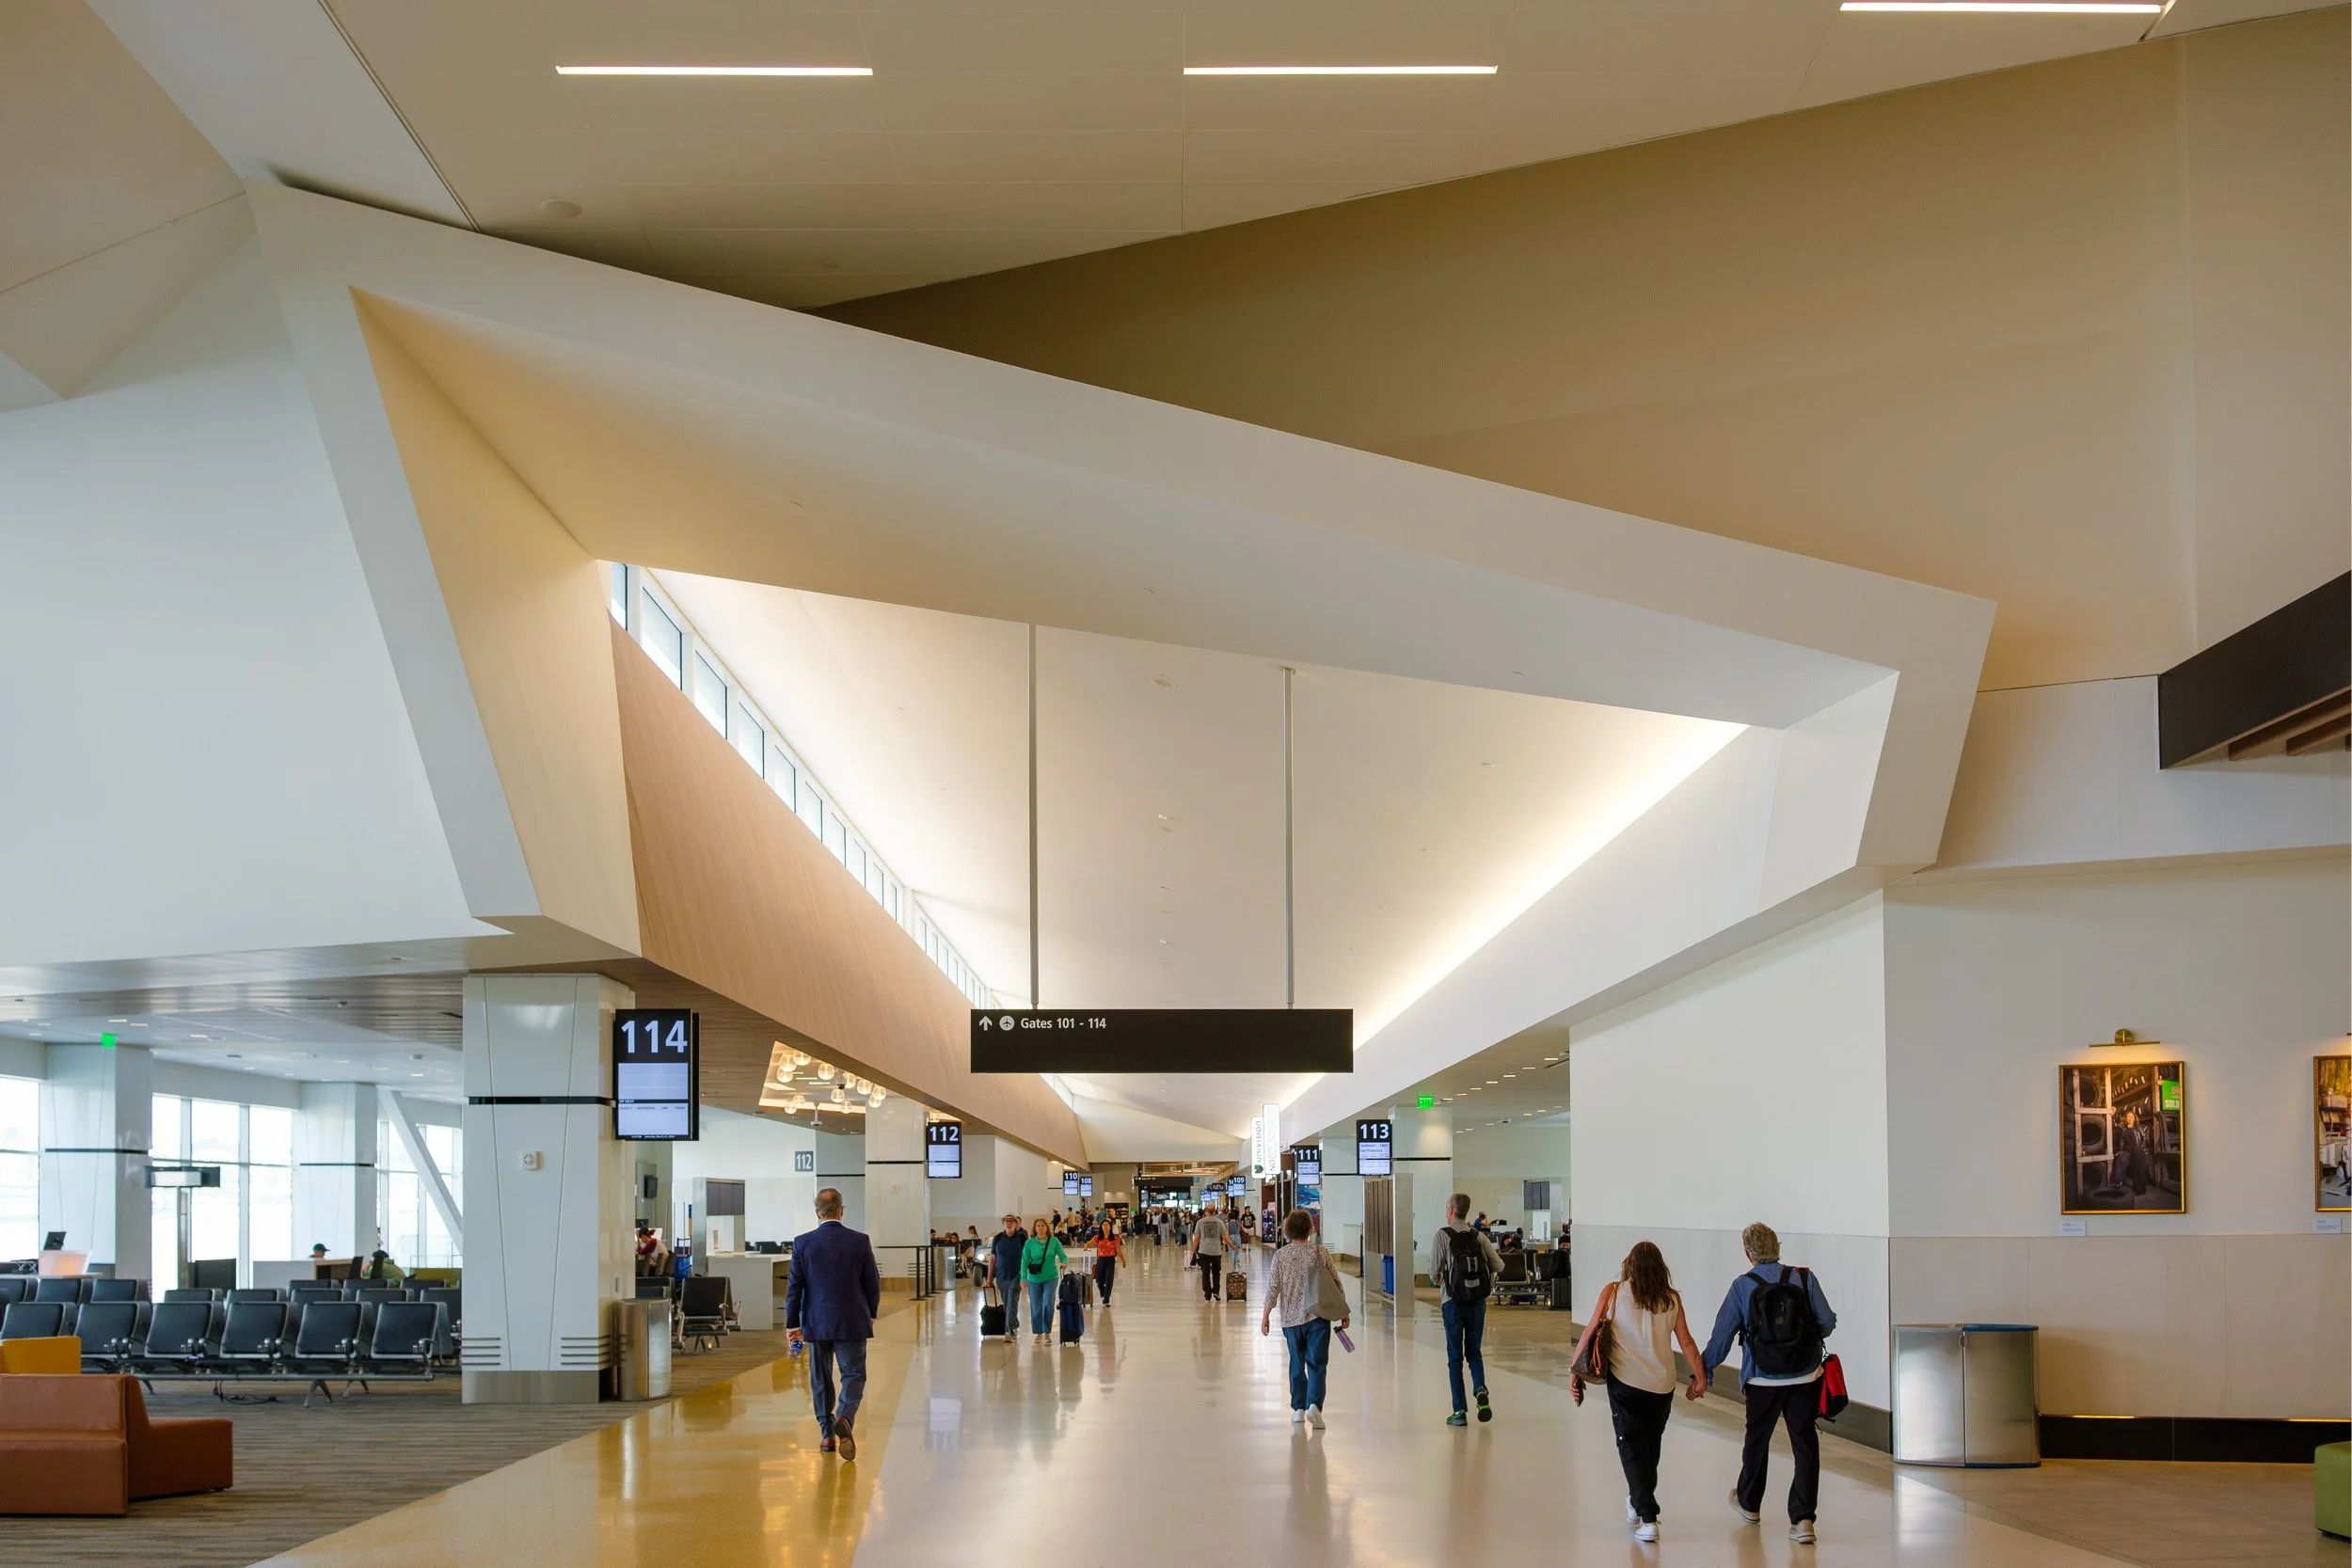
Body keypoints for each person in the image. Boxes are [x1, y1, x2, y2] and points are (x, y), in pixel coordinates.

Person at [1700, 1222, 1837, 1546]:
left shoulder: (1742, 1286)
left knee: (1757, 1440)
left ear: (1748, 1253)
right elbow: (1827, 1320)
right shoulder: (1804, 1278)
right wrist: (1803, 1344)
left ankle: (1749, 1503)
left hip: (1762, 1377)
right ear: (1778, 1246)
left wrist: (1704, 1369)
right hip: (1804, 1376)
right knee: (1804, 1444)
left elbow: (1722, 1336)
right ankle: (1803, 1520)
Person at [1568, 1242, 1708, 1544]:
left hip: (1626, 1384)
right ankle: (1636, 1500)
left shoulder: (1614, 1291)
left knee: (1630, 1446)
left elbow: (1589, 1332)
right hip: (1662, 1385)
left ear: (1629, 1264)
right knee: (1650, 1447)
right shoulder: (1671, 1299)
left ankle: (1648, 1517)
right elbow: (1687, 1342)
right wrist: (1699, 1375)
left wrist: (1573, 1371)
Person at [785, 1187, 882, 1460]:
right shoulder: (860, 1241)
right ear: (842, 1210)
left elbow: (795, 1287)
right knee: (853, 1374)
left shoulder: (803, 1243)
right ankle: (845, 1417)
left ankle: (827, 1434)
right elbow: (872, 1282)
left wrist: (793, 1325)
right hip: (852, 1319)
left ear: (817, 1212)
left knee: (821, 1377)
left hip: (815, 1322)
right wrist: (871, 1312)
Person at [1261, 1208, 1348, 1430]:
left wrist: (1266, 1315)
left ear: (1288, 1231)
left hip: (1290, 1320)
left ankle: (1298, 1409)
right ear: (1310, 1229)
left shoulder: (1281, 1255)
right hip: (1318, 1316)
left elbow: (1273, 1288)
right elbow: (1335, 1283)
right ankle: (1314, 1407)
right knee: (1317, 1363)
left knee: (1296, 1363)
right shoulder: (1320, 1252)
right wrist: (1344, 1311)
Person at [1428, 1192, 1502, 1428]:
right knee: (1474, 1352)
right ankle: (1480, 1390)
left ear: (1451, 1210)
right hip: (1477, 1303)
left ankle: (1459, 1411)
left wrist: (1441, 1277)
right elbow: (1498, 1264)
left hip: (1452, 1303)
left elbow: (1432, 1272)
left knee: (1454, 1358)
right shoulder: (1477, 1236)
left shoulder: (1442, 1236)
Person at [1019, 1217, 1066, 1343]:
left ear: (1047, 1228)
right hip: (1033, 1278)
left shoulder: (1054, 1241)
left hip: (1051, 1277)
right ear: (1035, 1228)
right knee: (1036, 1306)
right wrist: (1023, 1278)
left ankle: (1047, 1332)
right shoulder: (1029, 1243)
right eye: (1038, 1225)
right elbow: (1024, 1262)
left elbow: (1062, 1255)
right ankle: (1038, 1332)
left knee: (1048, 1303)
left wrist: (1064, 1262)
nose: (1040, 1227)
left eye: (1042, 1225)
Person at [987, 1213, 1028, 1339]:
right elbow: (993, 1258)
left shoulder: (1022, 1238)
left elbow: (1027, 1258)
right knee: (1007, 1303)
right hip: (1001, 1276)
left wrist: (1025, 1276)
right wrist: (989, 1278)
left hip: (1017, 1275)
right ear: (1003, 1223)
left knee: (1012, 1301)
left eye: (1012, 1221)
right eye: (1006, 1221)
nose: (1009, 1223)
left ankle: (1008, 1331)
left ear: (1016, 1224)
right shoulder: (998, 1238)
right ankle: (1013, 1326)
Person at [1188, 1207, 1228, 1300]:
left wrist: (1194, 1250)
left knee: (1205, 1274)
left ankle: (1207, 1295)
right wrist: (1232, 1246)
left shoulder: (1200, 1222)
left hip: (1204, 1252)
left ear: (1206, 1212)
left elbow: (1196, 1238)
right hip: (1216, 1252)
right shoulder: (1219, 1222)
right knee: (1216, 1273)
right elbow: (1225, 1237)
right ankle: (1216, 1292)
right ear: (1214, 1212)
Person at [1090, 1218, 1125, 1306]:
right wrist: (1086, 1246)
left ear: (1110, 1227)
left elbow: (1119, 1250)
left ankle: (1106, 1299)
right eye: (1104, 1225)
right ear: (1101, 1227)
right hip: (1101, 1260)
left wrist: (1123, 1260)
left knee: (1109, 1280)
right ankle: (1103, 1292)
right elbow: (1090, 1243)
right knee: (1098, 1279)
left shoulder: (1114, 1238)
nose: (1105, 1227)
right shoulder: (1098, 1237)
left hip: (1110, 1260)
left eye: (1107, 1225)